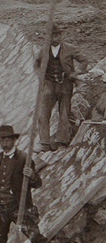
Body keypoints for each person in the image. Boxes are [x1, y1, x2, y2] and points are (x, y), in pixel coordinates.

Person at [36, 24, 88, 152]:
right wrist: (40, 75)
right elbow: (37, 64)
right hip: (49, 84)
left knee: (64, 113)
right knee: (43, 113)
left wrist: (76, 73)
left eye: (57, 35)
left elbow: (84, 60)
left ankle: (61, 142)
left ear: (61, 35)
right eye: (52, 36)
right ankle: (44, 143)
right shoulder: (43, 50)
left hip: (65, 83)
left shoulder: (70, 48)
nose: (55, 38)